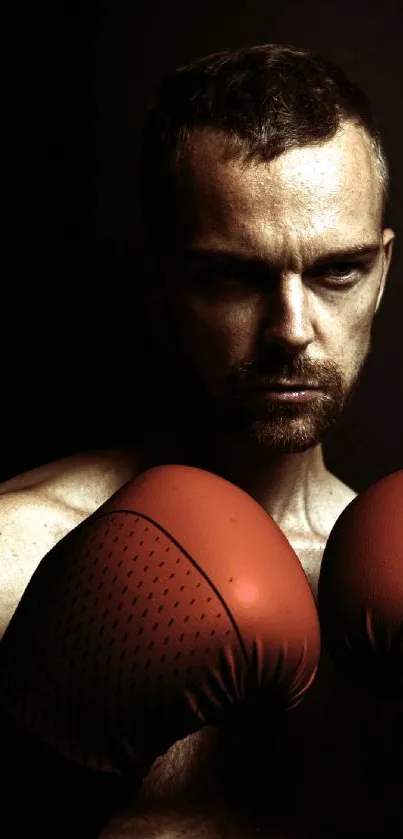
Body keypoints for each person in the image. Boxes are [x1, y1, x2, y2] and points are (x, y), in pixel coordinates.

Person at [0, 43, 399, 837]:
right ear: (161, 283)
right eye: (232, 276)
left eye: (336, 272)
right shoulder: (15, 555)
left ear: (381, 272)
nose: (291, 329)